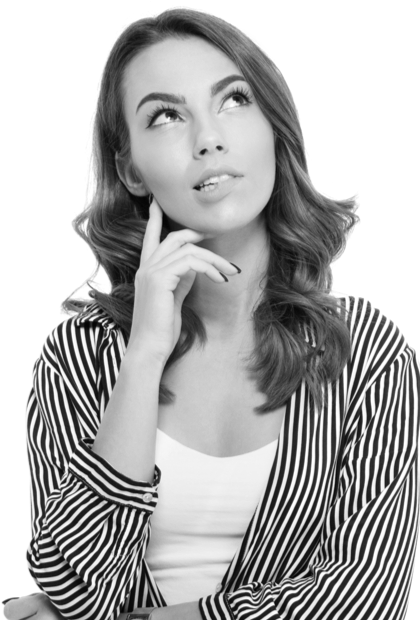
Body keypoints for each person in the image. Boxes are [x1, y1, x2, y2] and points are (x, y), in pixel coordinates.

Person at [3, 7, 419, 620]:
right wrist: (144, 354)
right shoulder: (79, 356)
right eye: (166, 116)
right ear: (131, 170)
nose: (208, 138)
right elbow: (78, 593)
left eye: (234, 100)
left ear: (274, 127)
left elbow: (364, 597)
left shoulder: (367, 353)